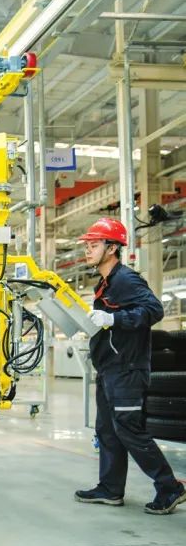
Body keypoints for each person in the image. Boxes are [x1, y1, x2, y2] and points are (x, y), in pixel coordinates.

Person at [75, 218, 186, 515]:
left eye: (94, 245)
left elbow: (153, 310)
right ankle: (110, 489)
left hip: (126, 369)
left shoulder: (126, 279)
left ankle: (170, 487)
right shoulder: (105, 284)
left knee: (128, 429)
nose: (87, 250)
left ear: (112, 248)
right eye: (87, 245)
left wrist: (114, 319)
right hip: (109, 368)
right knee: (107, 430)